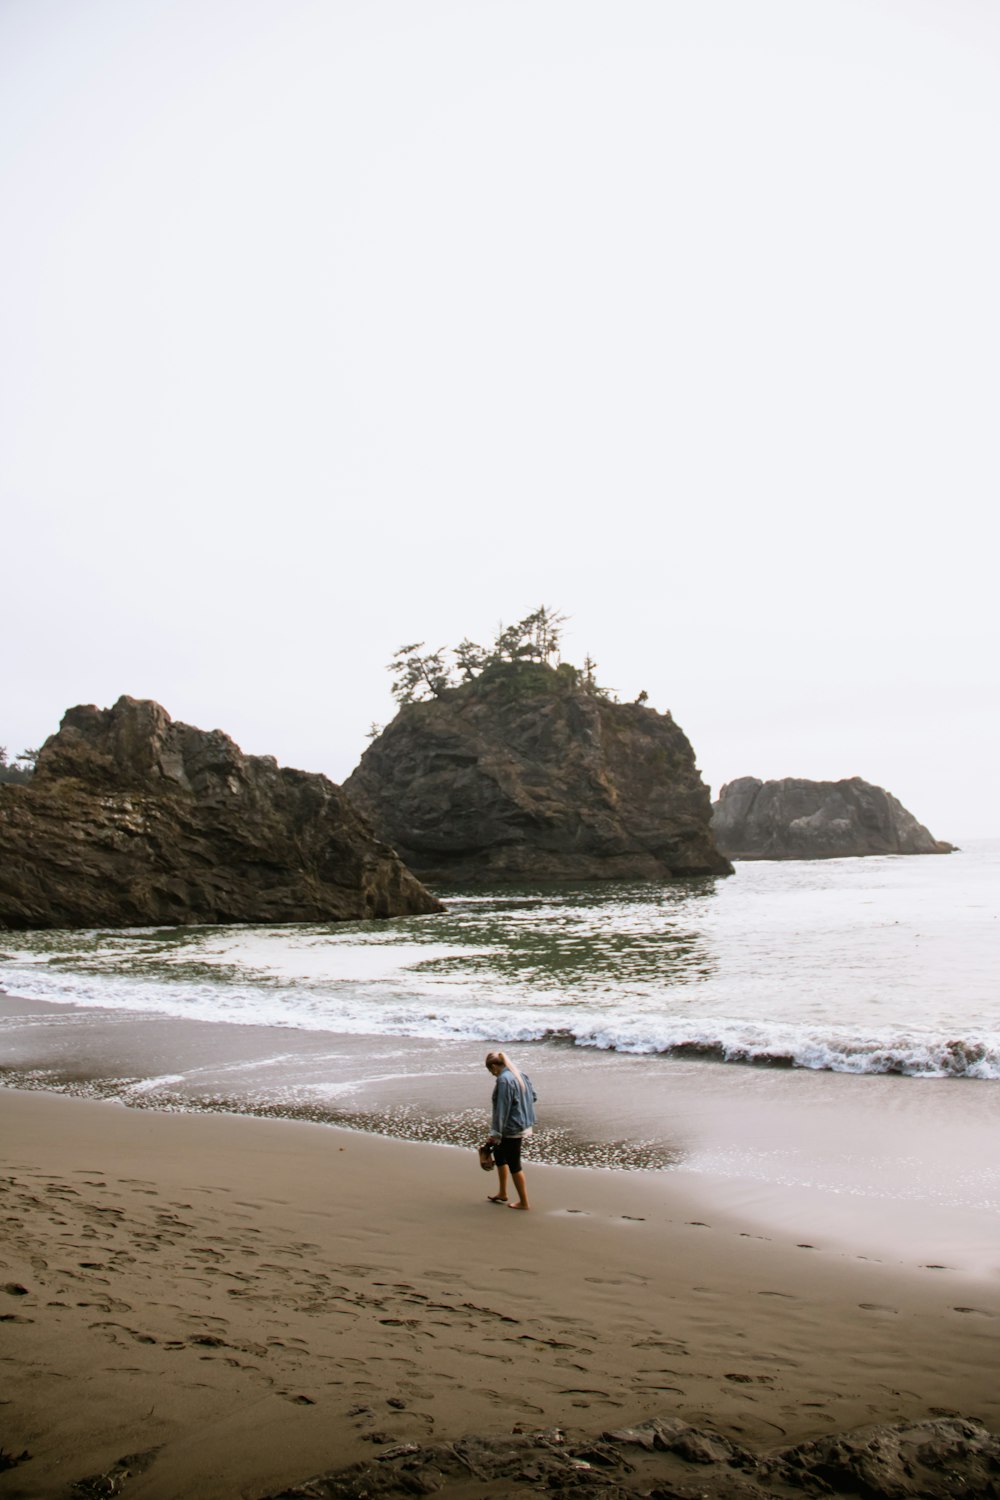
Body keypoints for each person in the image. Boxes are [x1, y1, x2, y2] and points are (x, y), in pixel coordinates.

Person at [484, 1050, 537, 1210]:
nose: (492, 1074)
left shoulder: (503, 1080)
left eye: (490, 1071)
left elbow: (502, 1109)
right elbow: (533, 1097)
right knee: (499, 1156)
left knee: (514, 1163)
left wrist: (495, 1134)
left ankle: (524, 1202)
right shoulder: (520, 1074)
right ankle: (502, 1193)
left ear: (494, 1066)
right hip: (523, 1122)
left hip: (511, 1127)